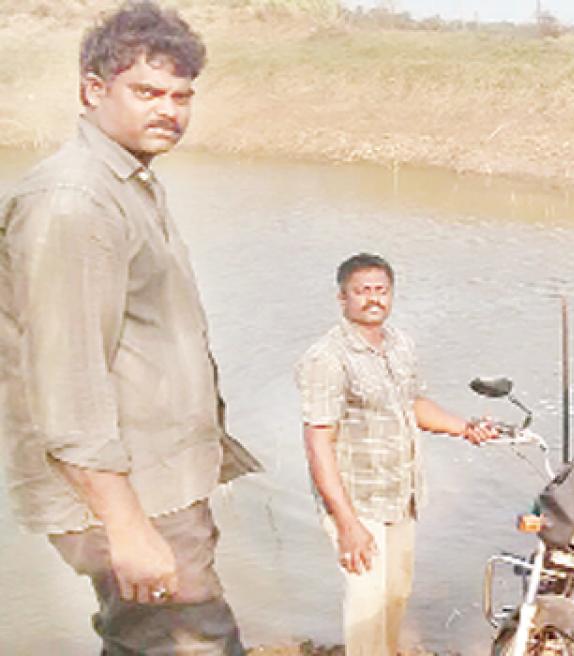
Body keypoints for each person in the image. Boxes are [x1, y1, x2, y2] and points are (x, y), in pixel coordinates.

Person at [0, 2, 261, 653]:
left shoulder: (130, 181)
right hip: (133, 496)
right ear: (93, 89)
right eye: (146, 91)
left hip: (158, 486)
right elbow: (67, 385)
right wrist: (128, 526)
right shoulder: (73, 202)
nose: (169, 109)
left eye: (181, 95)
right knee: (190, 643)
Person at [295, 252, 497, 656]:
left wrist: (465, 428)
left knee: (395, 595)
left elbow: (413, 405)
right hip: (357, 502)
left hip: (401, 496)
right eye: (362, 291)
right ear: (343, 298)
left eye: (381, 290)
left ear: (391, 294)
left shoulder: (400, 344)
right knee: (367, 608)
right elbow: (318, 444)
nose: (373, 299)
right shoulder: (326, 358)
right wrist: (348, 523)